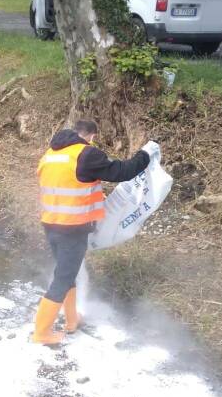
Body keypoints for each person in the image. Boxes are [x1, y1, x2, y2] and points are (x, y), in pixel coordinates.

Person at [32, 120, 156, 345]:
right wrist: (145, 155)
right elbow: (122, 171)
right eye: (93, 139)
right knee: (63, 278)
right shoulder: (85, 154)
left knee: (66, 274)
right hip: (72, 228)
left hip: (51, 224)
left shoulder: (50, 154)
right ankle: (41, 333)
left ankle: (71, 320)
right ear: (89, 136)